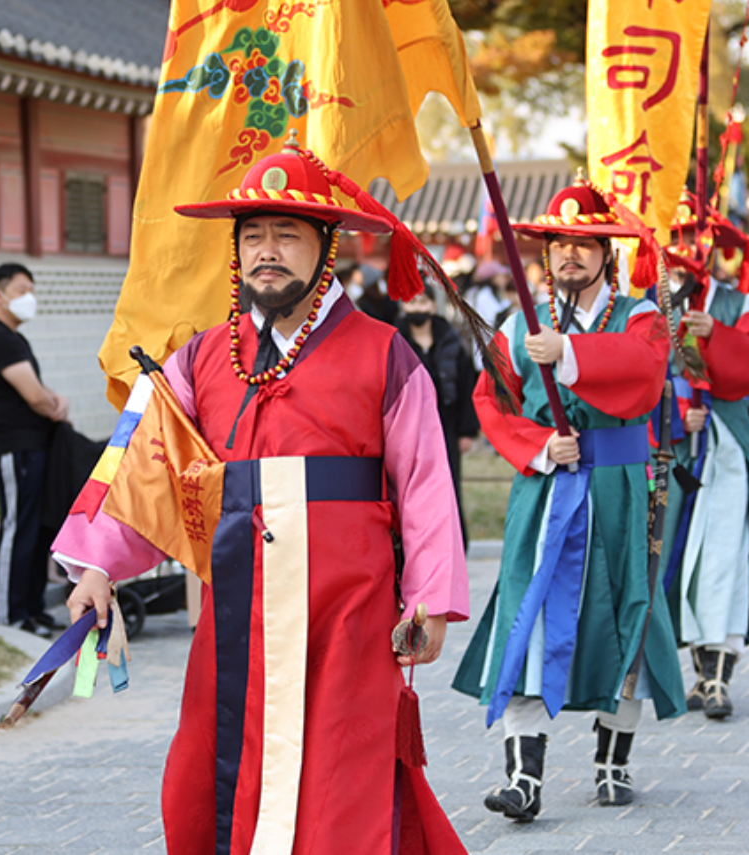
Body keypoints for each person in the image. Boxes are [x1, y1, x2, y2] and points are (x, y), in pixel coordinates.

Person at [53, 143, 471, 854]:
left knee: (341, 778)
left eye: (285, 234)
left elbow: (425, 480)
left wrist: (428, 597)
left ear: (327, 247)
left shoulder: (383, 353)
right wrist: (97, 565)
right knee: (208, 772)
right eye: (252, 236)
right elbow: (145, 465)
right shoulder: (200, 357)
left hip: (347, 607)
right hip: (235, 605)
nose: (266, 252)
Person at [453, 179, 685, 820]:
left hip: (619, 487)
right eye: (559, 244)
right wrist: (537, 445)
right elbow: (490, 401)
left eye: (584, 244)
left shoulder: (638, 317)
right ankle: (523, 777)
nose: (570, 254)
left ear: (607, 253)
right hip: (548, 487)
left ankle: (614, 759)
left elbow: (645, 372)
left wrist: (571, 352)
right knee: (529, 615)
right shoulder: (517, 325)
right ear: (545, 254)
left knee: (627, 611)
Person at [661, 195, 749, 720]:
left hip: (724, 445)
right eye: (678, 236)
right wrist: (673, 416)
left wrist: (718, 337)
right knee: (678, 558)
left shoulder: (737, 305)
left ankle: (716, 678)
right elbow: (634, 378)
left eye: (695, 236)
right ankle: (691, 671)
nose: (687, 245)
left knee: (724, 557)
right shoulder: (648, 305)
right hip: (671, 451)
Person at [0, 263, 69, 634]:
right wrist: (54, 404)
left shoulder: (14, 338)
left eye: (32, 290)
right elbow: (35, 396)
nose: (29, 298)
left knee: (36, 529)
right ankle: (9, 616)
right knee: (18, 529)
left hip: (33, 446)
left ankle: (31, 607)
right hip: (14, 448)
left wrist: (54, 399)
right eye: (21, 290)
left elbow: (39, 392)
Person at [396, 284, 480, 548]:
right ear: (403, 307)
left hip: (447, 424)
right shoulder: (395, 341)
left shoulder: (451, 340)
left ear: (433, 306)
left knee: (448, 485)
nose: (418, 309)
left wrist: (467, 431)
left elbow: (467, 386)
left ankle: (454, 545)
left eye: (423, 303)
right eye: (412, 303)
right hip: (408, 426)